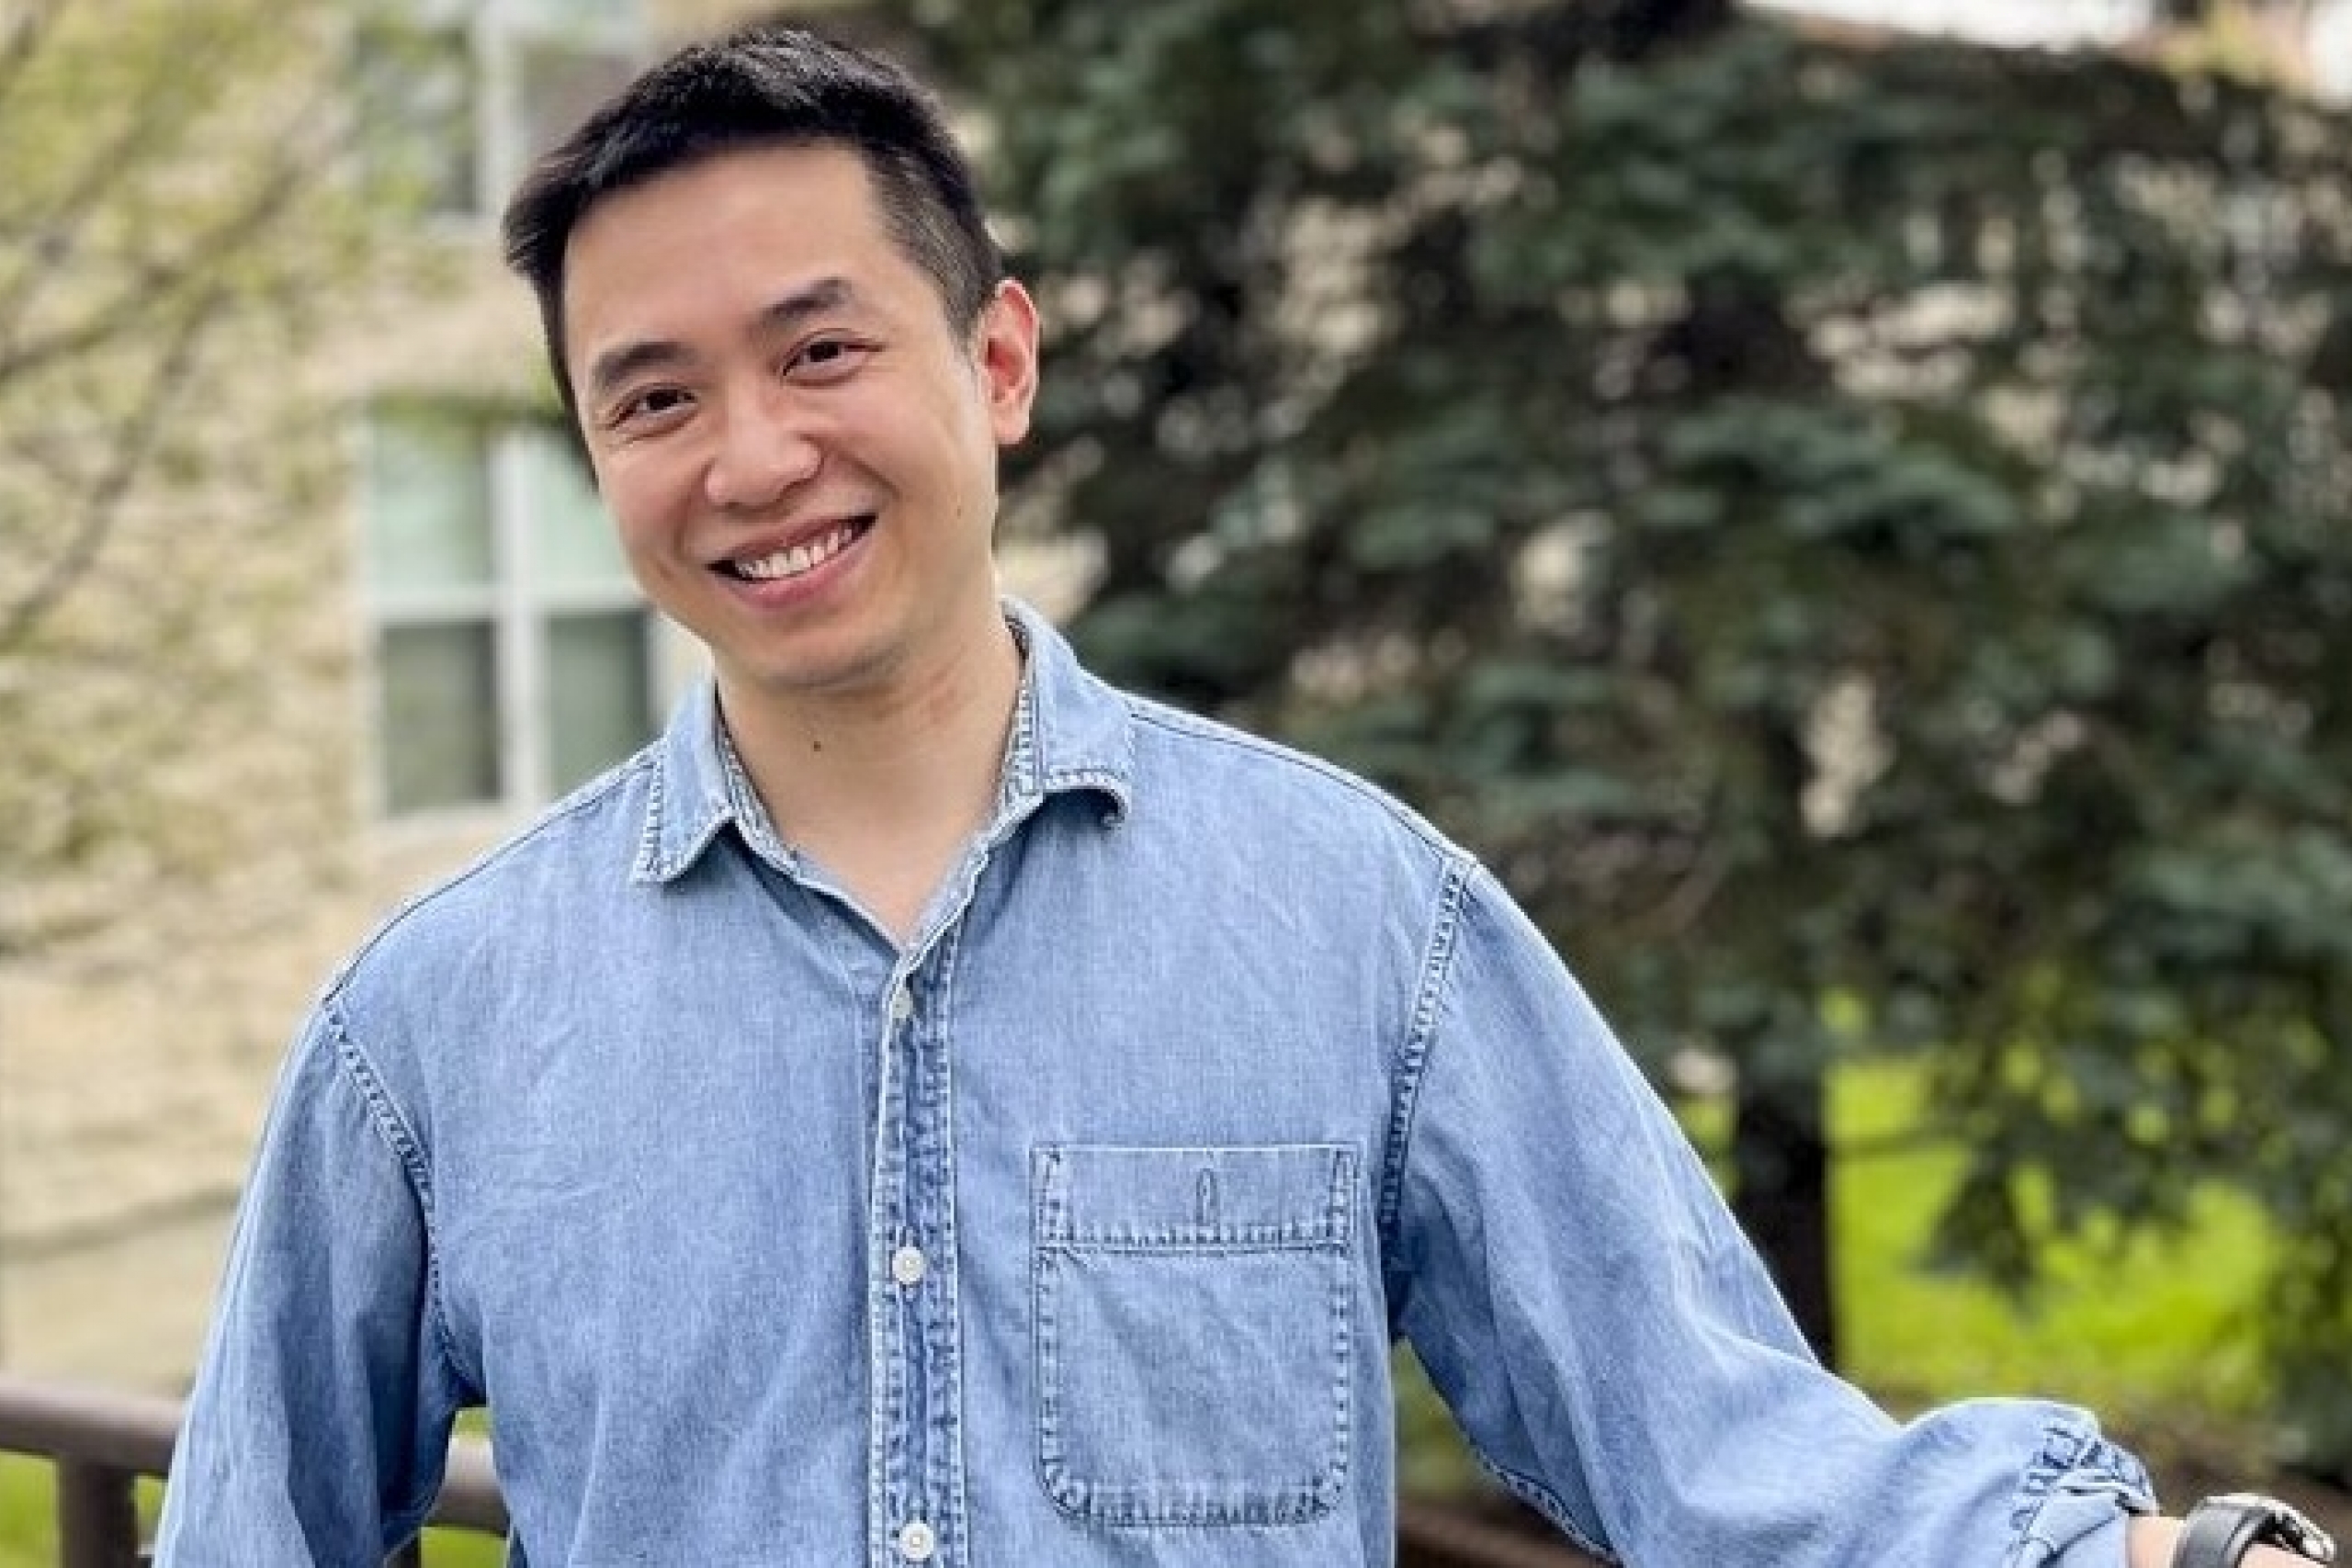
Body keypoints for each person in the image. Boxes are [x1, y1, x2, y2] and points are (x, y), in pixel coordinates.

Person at [153, 22, 2335, 1568]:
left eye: (822, 350)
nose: (748, 458)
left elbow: (1719, 1450)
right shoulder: (423, 1034)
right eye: (652, 395)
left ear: (993, 361)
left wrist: (2152, 1555)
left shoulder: (1355, 921)